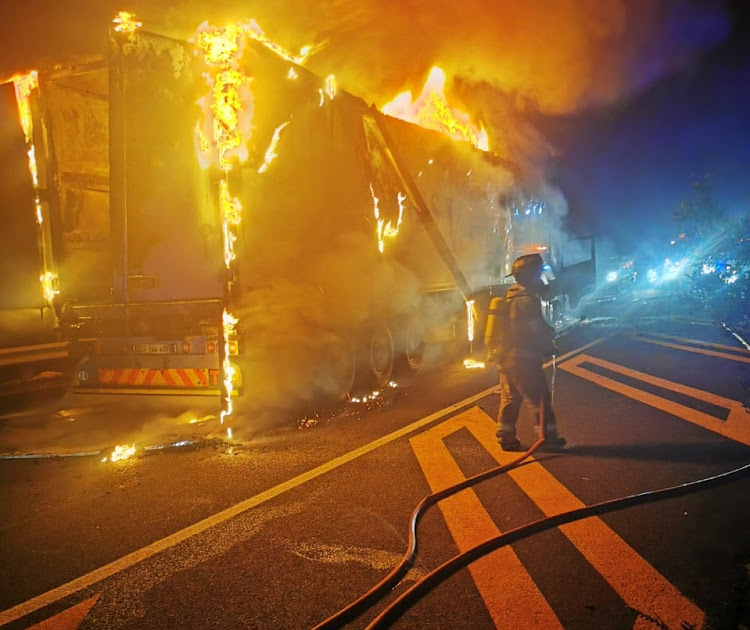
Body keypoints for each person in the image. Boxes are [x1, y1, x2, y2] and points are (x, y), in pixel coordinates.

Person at [484, 253, 567, 452]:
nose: (541, 278)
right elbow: (535, 329)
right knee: (540, 399)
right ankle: (549, 438)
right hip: (524, 361)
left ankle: (506, 437)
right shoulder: (527, 301)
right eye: (538, 274)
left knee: (510, 399)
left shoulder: (509, 297)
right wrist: (549, 344)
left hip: (506, 359)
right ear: (530, 276)